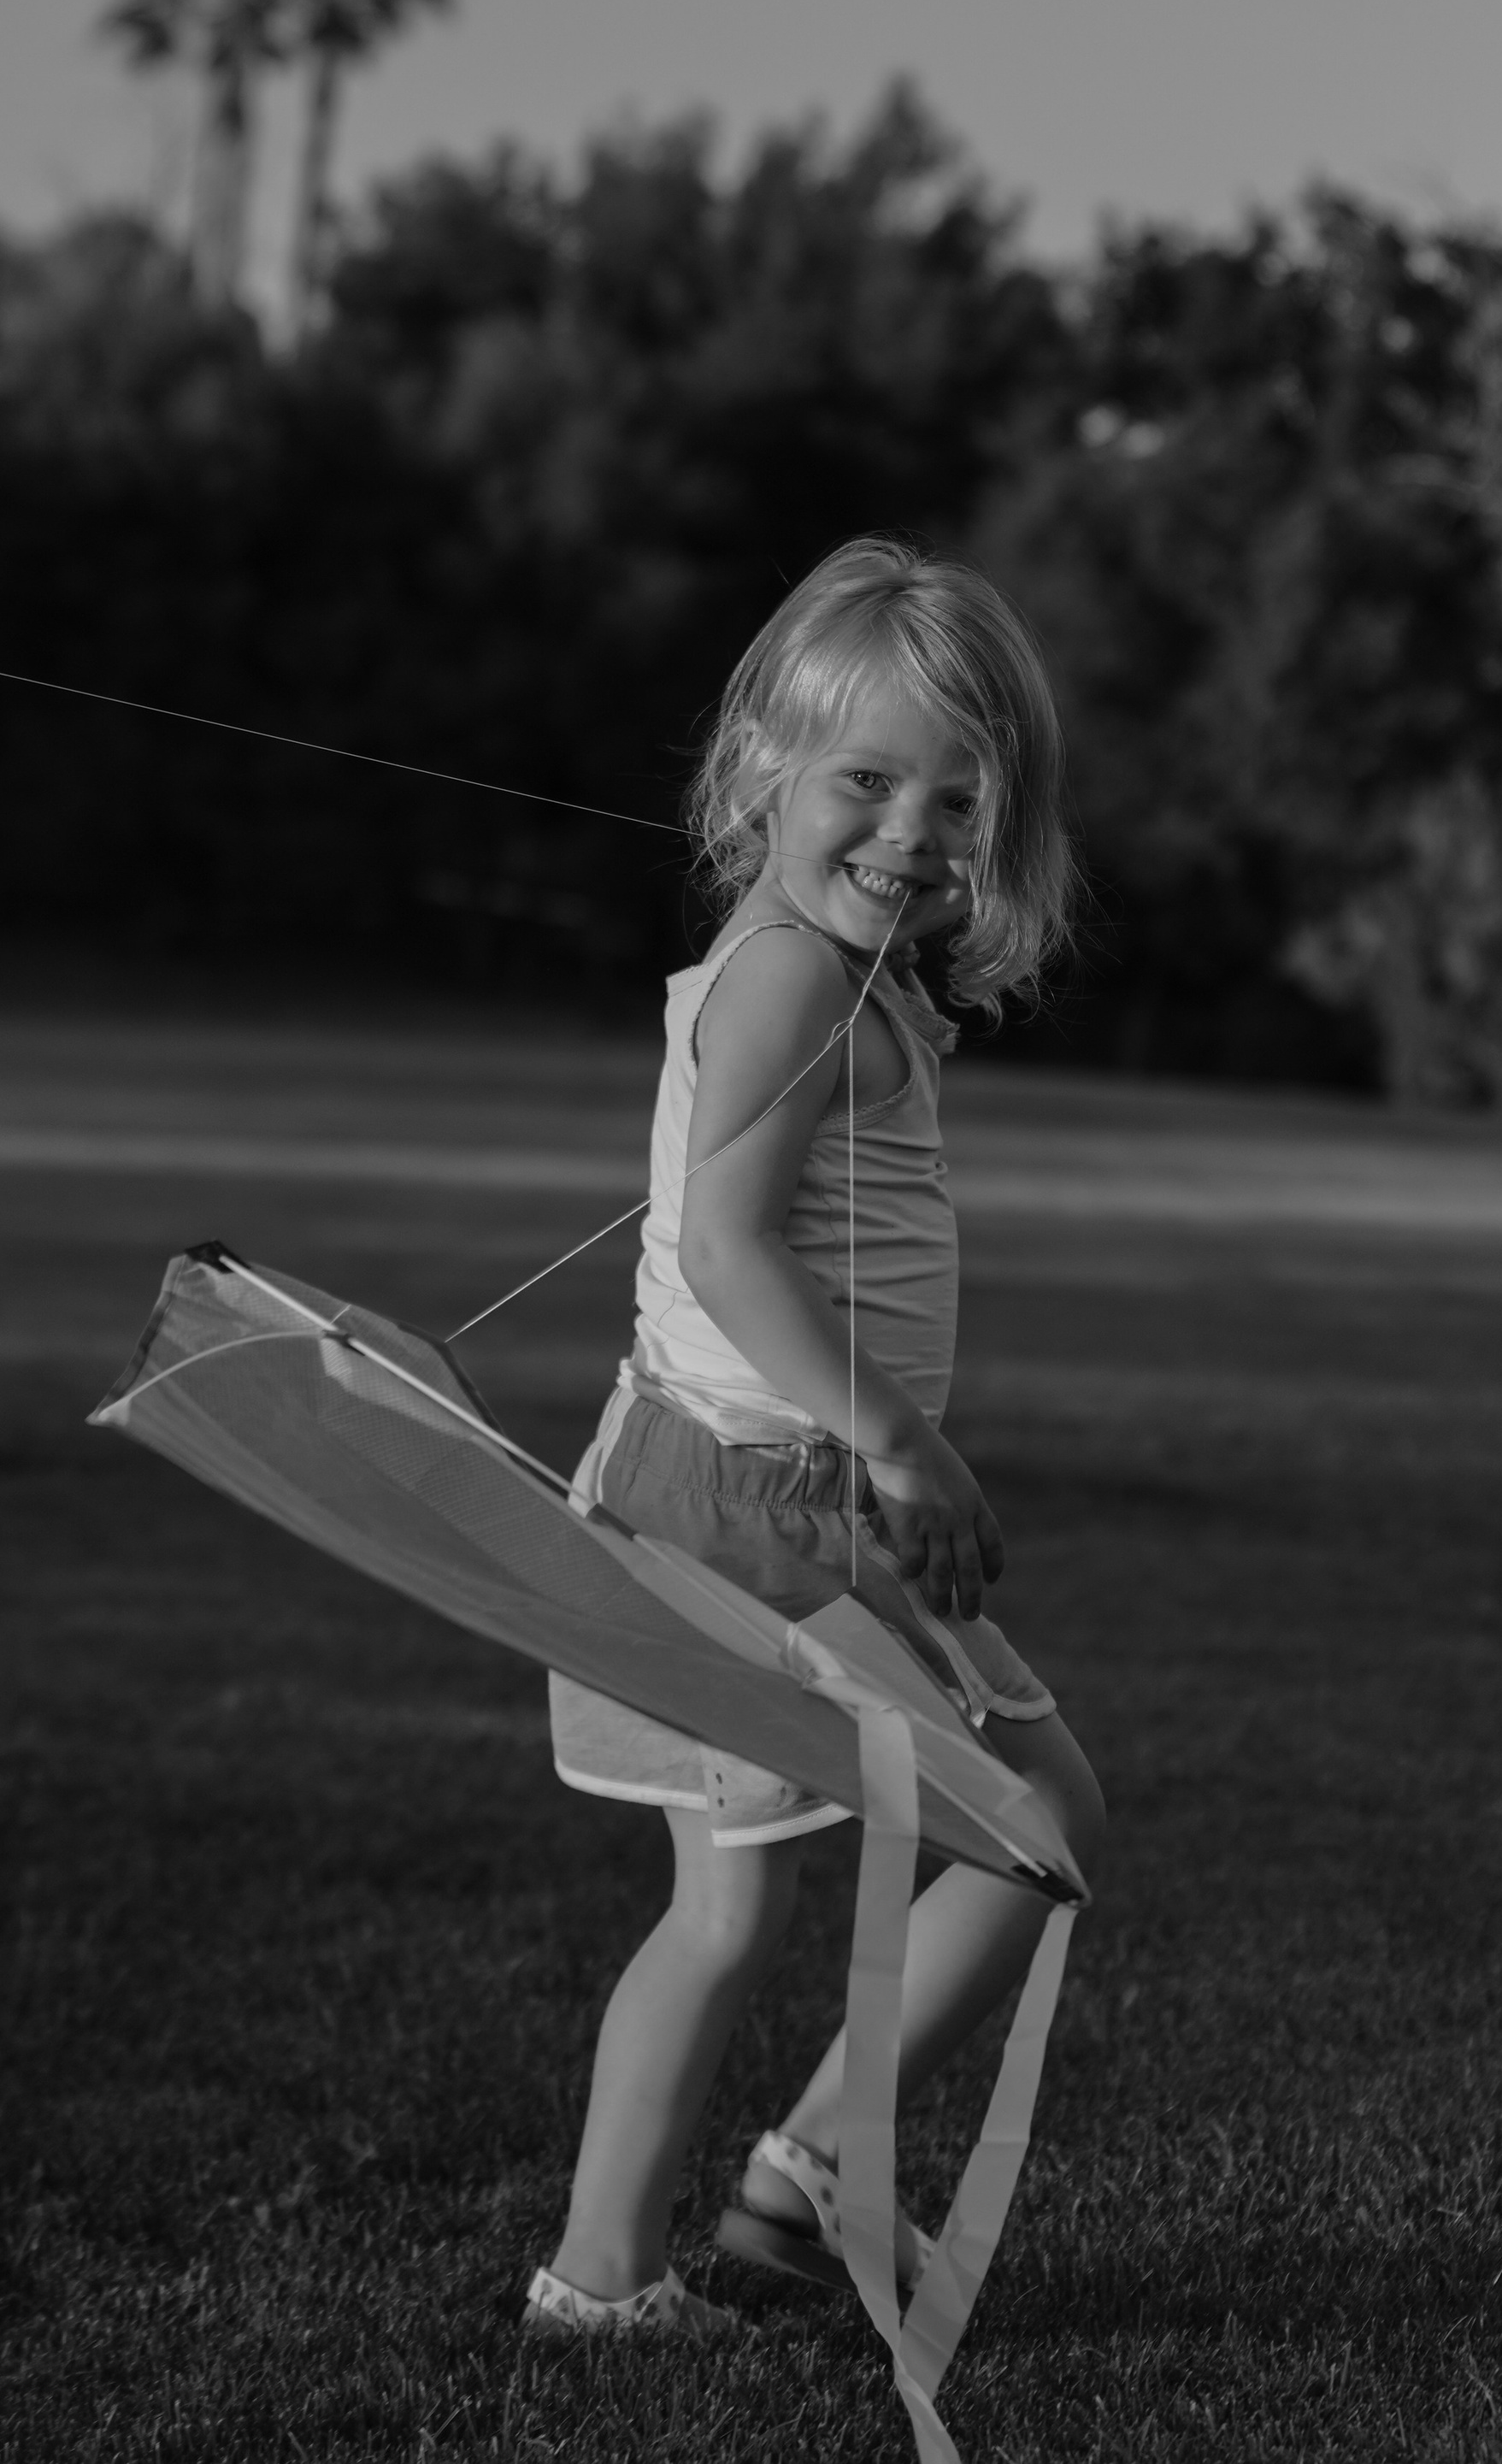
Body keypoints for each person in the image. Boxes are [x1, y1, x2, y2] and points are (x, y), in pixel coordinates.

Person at [522, 536, 1108, 2340]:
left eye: (957, 799)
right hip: (761, 1504)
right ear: (762, 766)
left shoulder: (834, 978)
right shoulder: (785, 978)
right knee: (1021, 1827)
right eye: (864, 780)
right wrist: (904, 1444)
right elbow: (720, 1246)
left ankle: (746, 2209)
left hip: (763, 1491)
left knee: (872, 1871)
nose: (910, 833)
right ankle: (709, 2226)